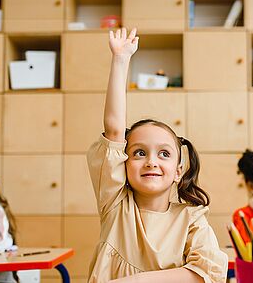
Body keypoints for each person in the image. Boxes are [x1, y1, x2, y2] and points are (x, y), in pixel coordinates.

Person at [86, 28, 228, 283]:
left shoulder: (191, 218)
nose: (152, 161)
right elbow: (115, 130)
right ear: (123, 163)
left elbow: (205, 273)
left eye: (164, 154)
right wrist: (121, 59)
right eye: (139, 152)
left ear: (178, 171)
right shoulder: (116, 203)